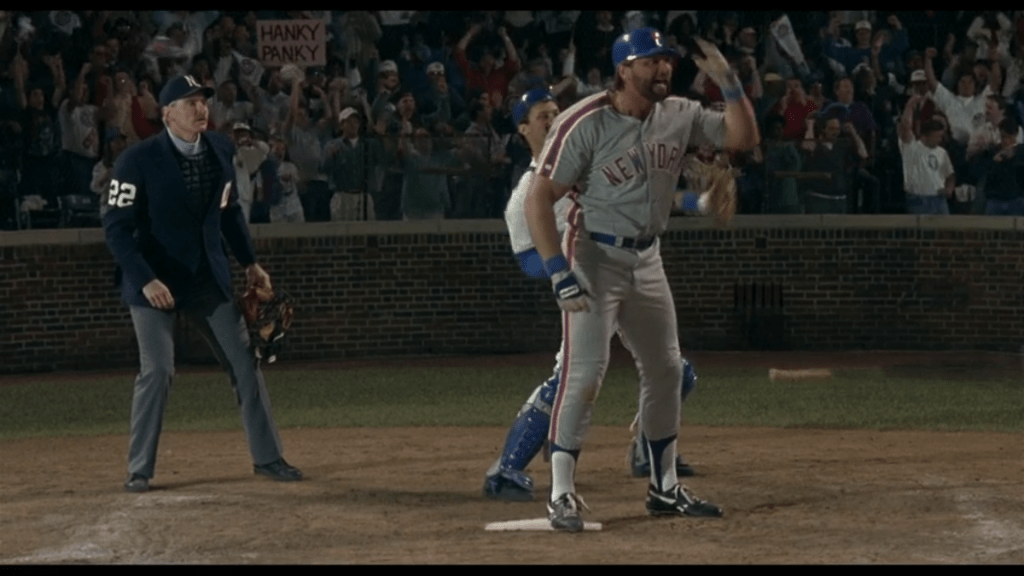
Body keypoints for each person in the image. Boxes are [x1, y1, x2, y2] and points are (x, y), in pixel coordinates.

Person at [524, 28, 758, 531]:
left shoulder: (678, 113)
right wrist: (557, 269)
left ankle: (665, 487)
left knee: (668, 370)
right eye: (649, 61)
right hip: (593, 256)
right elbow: (538, 198)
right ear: (623, 69)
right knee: (585, 372)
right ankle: (561, 492)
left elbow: (742, 139)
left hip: (647, 257)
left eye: (666, 60)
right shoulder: (584, 120)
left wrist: (730, 84)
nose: (662, 69)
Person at [483, 88, 698, 502]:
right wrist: (564, 266)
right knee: (568, 380)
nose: (553, 118)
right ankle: (506, 468)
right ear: (523, 129)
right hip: (584, 289)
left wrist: (700, 200)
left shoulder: (593, 166)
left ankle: (643, 451)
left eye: (556, 112)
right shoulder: (528, 192)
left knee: (676, 372)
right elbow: (527, 260)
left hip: (628, 278)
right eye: (542, 115)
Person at [102, 74, 303, 493]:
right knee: (157, 370)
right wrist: (146, 280)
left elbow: (228, 214)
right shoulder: (135, 160)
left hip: (204, 279)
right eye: (190, 102)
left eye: (203, 101)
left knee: (245, 365)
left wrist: (250, 263)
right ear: (168, 113)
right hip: (152, 281)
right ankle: (139, 469)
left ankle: (268, 457)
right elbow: (117, 230)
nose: (201, 109)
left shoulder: (220, 148)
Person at [898, 95, 955, 215]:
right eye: (937, 136)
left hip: (939, 199)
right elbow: (905, 128)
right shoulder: (911, 147)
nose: (940, 140)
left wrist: (949, 189)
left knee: (944, 232)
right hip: (918, 200)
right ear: (926, 135)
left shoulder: (942, 152)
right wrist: (909, 106)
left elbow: (950, 175)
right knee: (920, 233)